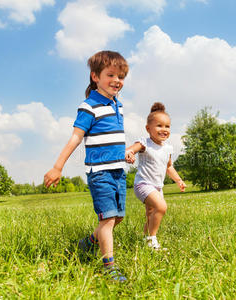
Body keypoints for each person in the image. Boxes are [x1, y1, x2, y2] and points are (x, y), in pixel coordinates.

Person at [44, 50, 128, 282]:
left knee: (117, 218)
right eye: (110, 74)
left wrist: (125, 154)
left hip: (118, 171)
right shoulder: (89, 106)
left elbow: (112, 139)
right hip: (100, 173)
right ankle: (109, 267)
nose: (116, 81)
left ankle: (89, 243)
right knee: (108, 220)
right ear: (95, 76)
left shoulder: (117, 106)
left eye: (120, 76)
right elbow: (75, 138)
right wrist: (57, 167)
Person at [125, 102, 186, 250]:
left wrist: (178, 180)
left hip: (158, 187)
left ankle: (146, 242)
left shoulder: (167, 148)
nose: (164, 129)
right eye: (159, 126)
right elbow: (131, 149)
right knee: (161, 207)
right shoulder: (145, 143)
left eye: (167, 126)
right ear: (148, 128)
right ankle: (153, 240)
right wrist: (129, 153)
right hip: (143, 184)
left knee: (151, 214)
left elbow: (169, 166)